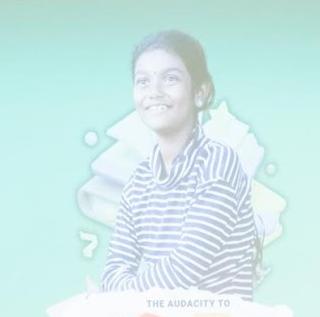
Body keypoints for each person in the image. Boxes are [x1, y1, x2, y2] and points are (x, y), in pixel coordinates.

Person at [100, 30, 259, 299]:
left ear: (200, 92)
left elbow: (183, 271)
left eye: (170, 78)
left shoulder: (219, 163)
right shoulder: (139, 180)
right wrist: (118, 292)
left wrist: (120, 296)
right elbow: (114, 269)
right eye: (143, 81)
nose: (154, 93)